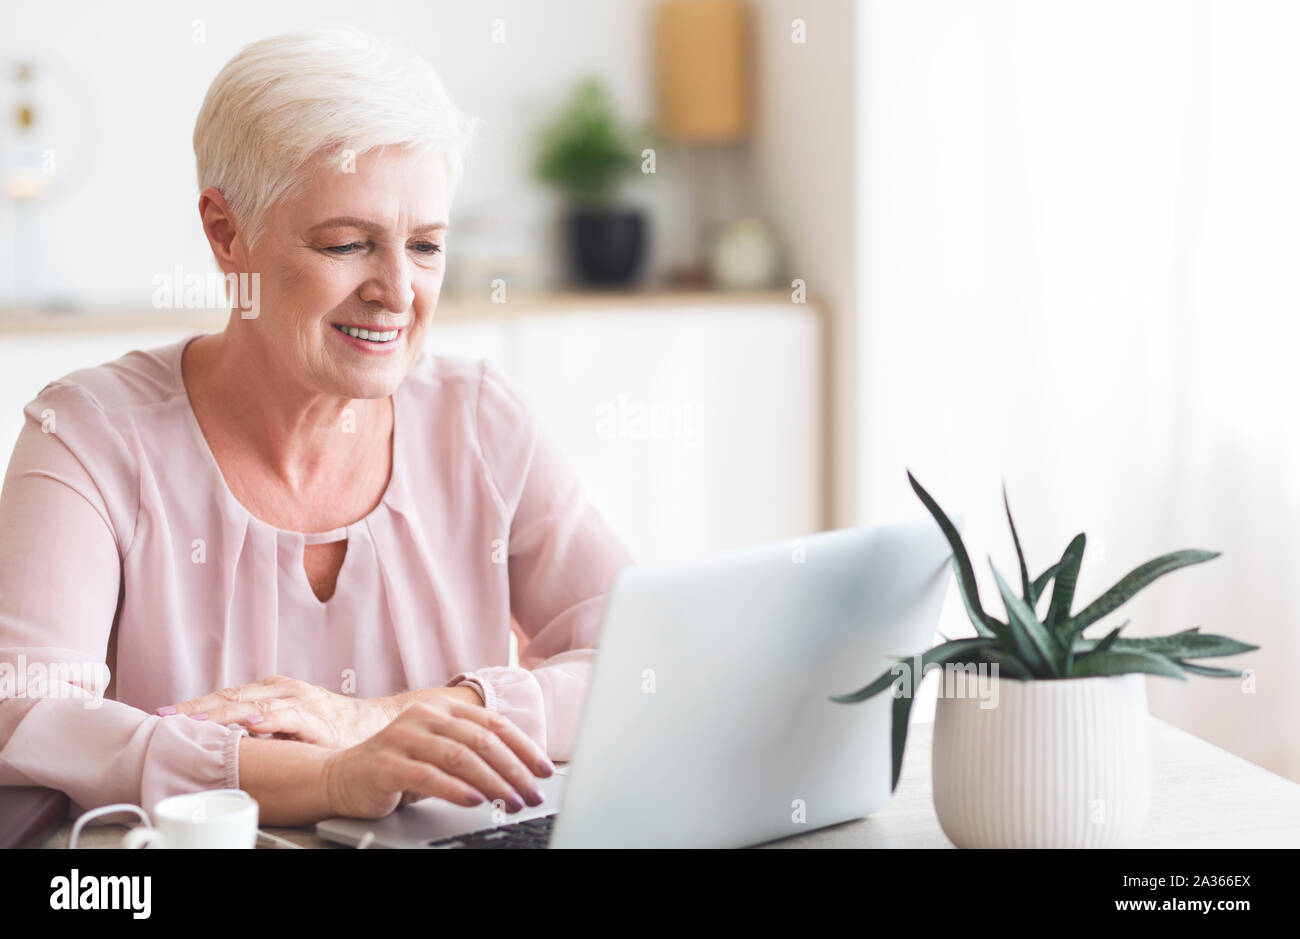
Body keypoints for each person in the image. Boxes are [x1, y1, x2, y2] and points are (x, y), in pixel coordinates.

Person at [0, 29, 633, 826]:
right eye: (347, 243)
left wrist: (381, 716)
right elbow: (28, 717)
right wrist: (334, 777)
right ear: (226, 233)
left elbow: (641, 661)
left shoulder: (480, 419)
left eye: (427, 246)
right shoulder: (87, 436)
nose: (397, 292)